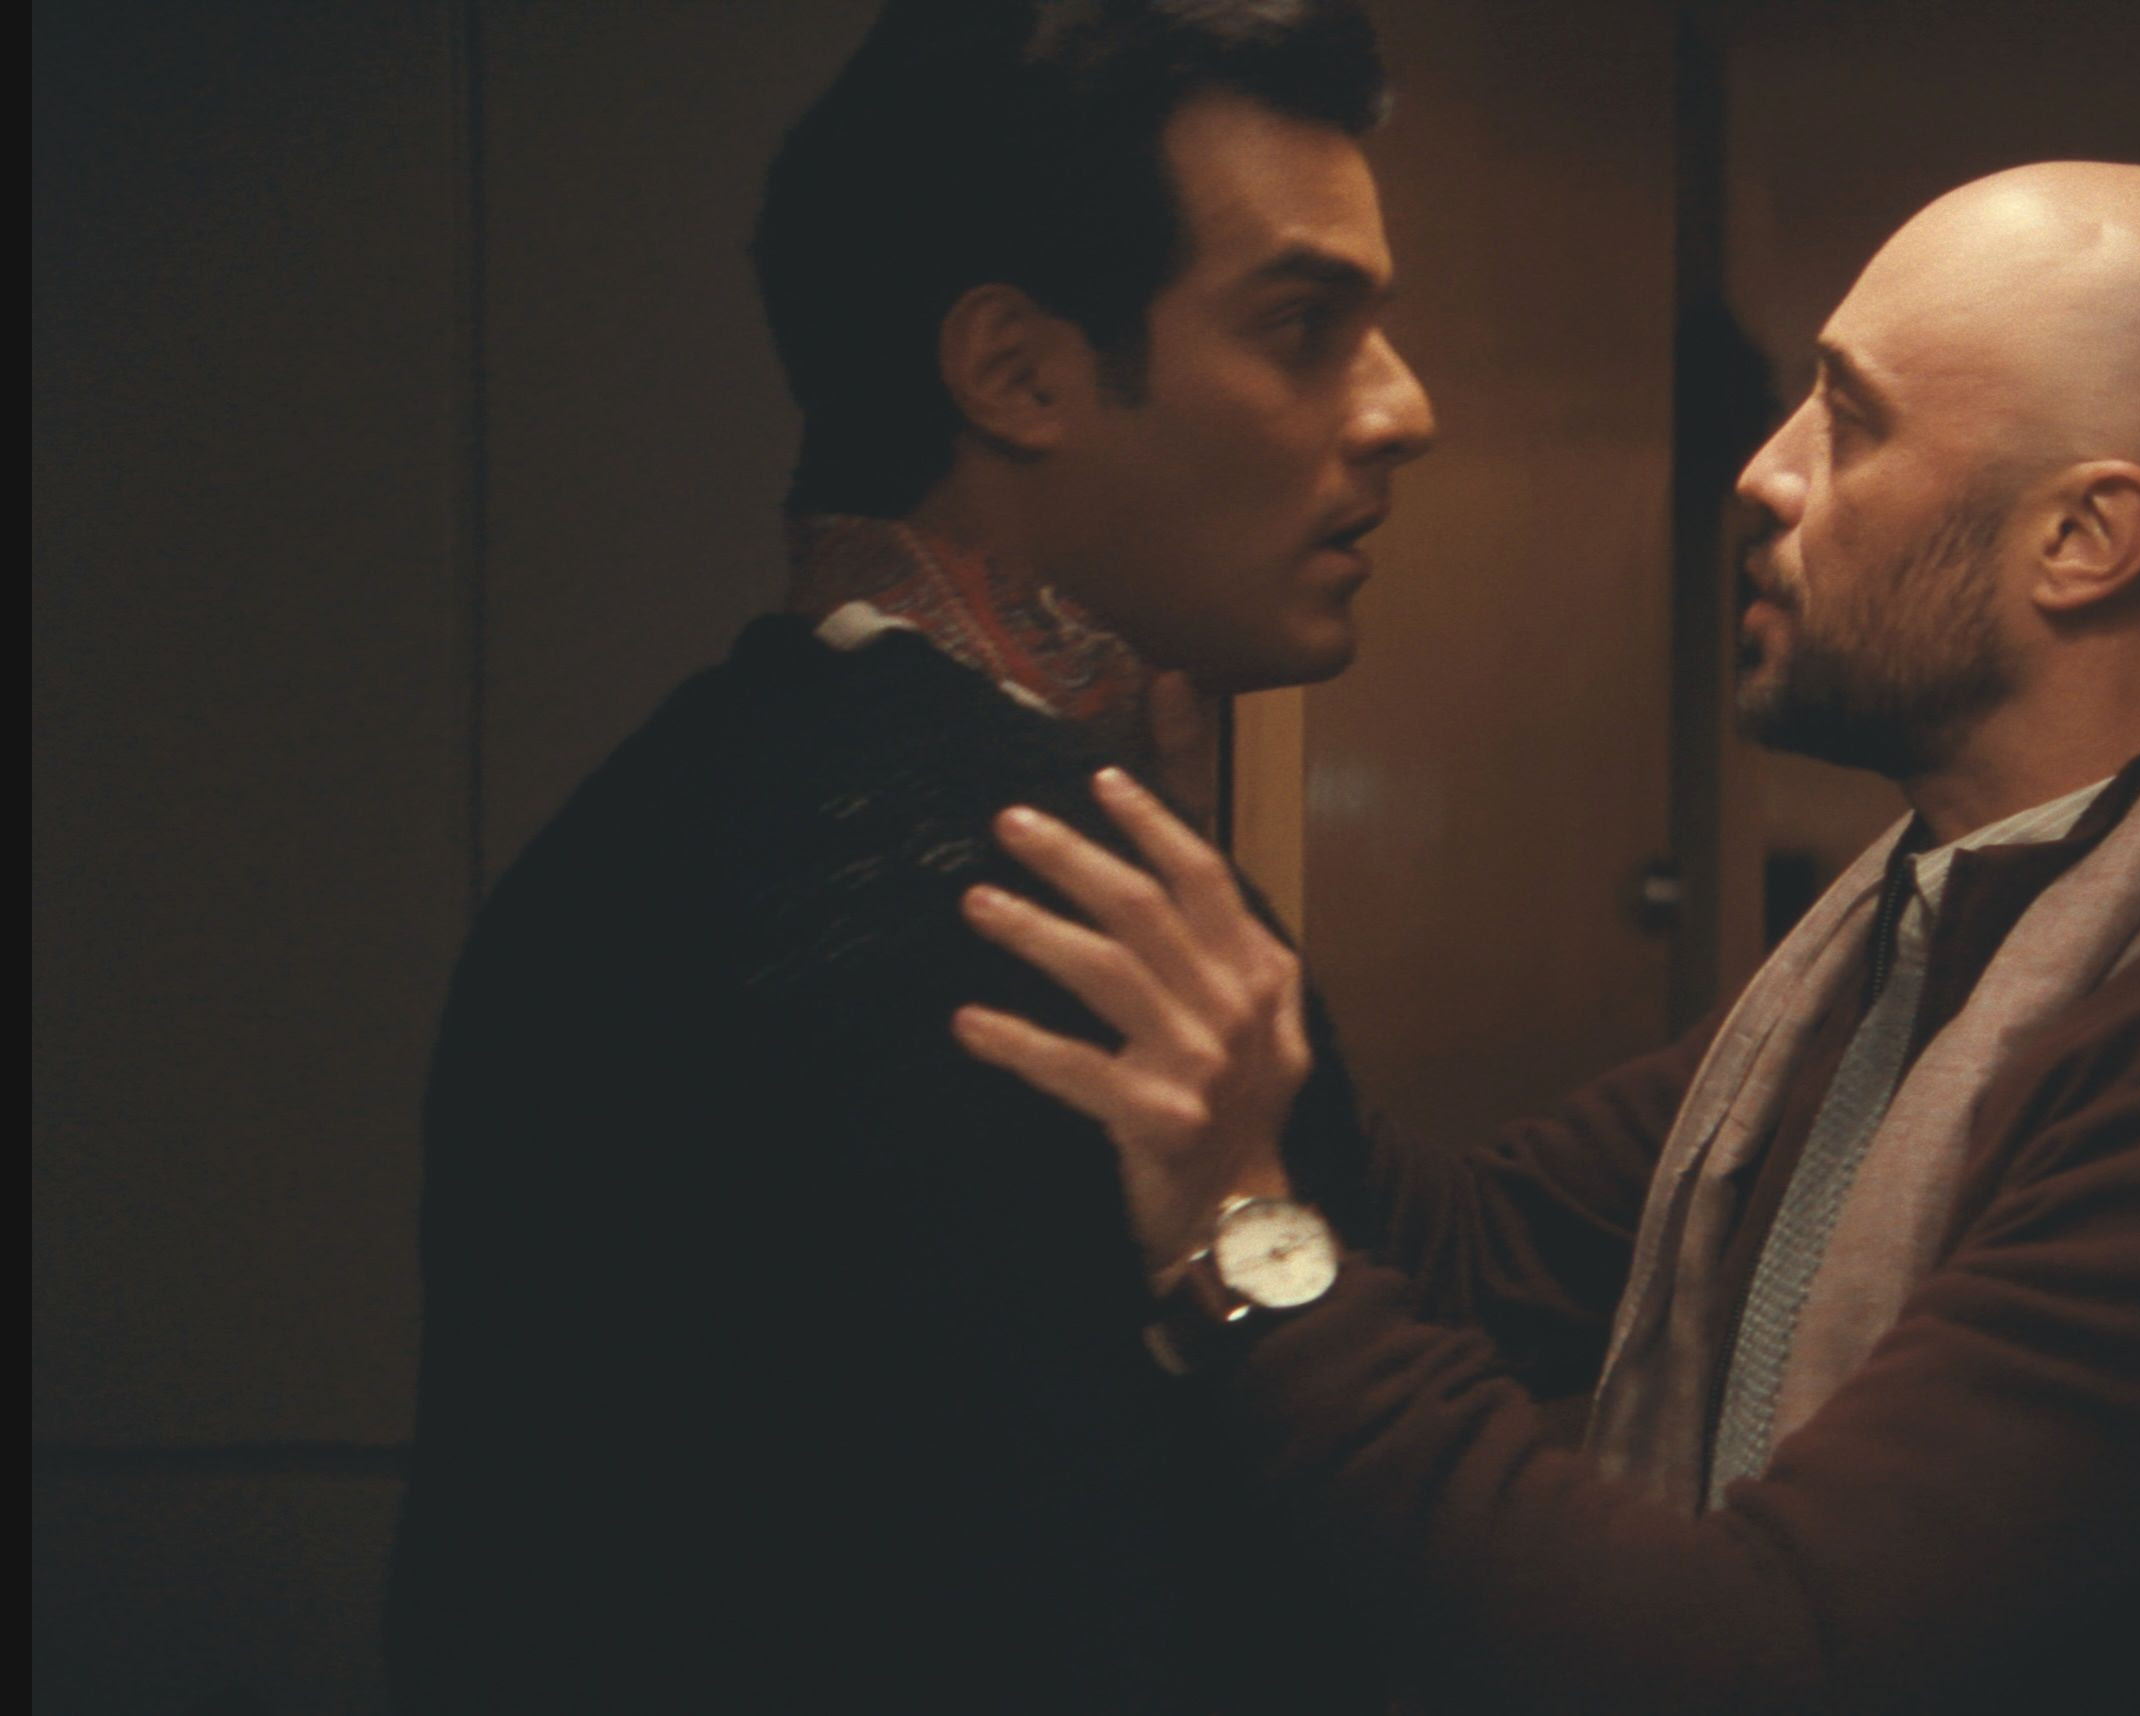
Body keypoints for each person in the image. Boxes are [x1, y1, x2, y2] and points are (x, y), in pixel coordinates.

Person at [952, 161, 2140, 1713]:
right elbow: (1475, 1253)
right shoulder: (1914, 933)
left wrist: (1242, 1237)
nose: (1764, 473)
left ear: (2085, 540)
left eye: (1853, 421)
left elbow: (1751, 1655)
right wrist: (1185, 884)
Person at [389, 3, 1429, 1709]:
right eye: (1305, 326)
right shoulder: (1077, 926)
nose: (1403, 409)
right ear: (1015, 373)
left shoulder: (626, 836)